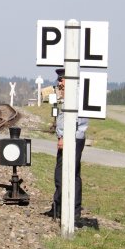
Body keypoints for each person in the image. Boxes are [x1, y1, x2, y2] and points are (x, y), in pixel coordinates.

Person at [44, 68, 88, 222]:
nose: (59, 82)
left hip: (72, 138)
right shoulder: (67, 94)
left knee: (65, 174)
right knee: (68, 173)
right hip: (73, 137)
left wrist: (62, 136)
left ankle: (68, 209)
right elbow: (60, 115)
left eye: (61, 79)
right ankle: (59, 206)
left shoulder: (73, 95)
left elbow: (72, 119)